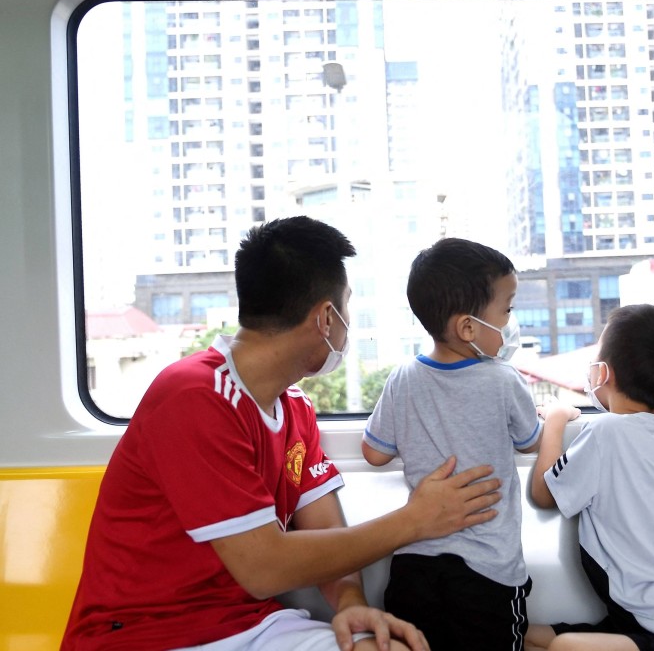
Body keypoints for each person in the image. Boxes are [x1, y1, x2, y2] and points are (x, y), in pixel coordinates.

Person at [62, 217, 503, 651]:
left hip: (250, 624)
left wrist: (349, 602)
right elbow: (263, 567)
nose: (348, 322)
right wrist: (414, 521)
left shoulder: (294, 408)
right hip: (144, 634)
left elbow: (324, 525)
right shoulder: (192, 396)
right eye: (347, 305)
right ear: (326, 318)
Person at [361, 237, 541, 651]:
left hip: (413, 567)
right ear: (468, 327)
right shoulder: (502, 380)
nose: (511, 323)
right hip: (488, 573)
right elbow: (530, 441)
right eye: (507, 310)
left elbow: (374, 452)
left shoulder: (403, 378)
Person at [525, 304, 654, 651]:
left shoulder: (606, 433)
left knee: (563, 646)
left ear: (603, 372)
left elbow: (544, 493)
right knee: (525, 635)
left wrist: (555, 420)